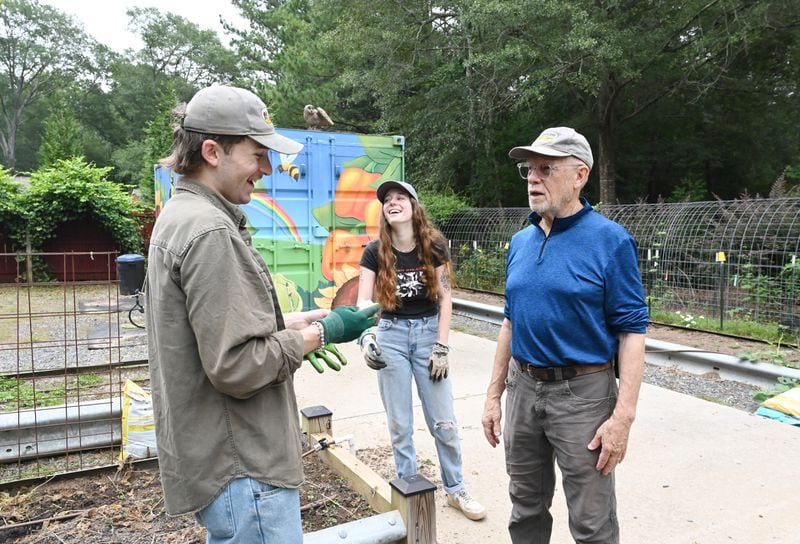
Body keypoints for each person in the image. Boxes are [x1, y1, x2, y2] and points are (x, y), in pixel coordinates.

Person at [144, 84, 378, 544]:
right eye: (257, 154)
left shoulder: (183, 214)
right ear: (213, 151)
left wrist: (288, 326)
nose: (267, 169)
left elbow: (210, 334)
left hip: (224, 460)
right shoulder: (210, 231)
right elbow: (235, 365)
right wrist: (325, 332)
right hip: (244, 465)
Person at [481, 127, 649, 543]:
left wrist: (623, 417)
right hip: (523, 389)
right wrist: (493, 396)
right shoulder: (520, 241)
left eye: (546, 169)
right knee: (525, 508)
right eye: (529, 169)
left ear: (579, 175)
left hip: (584, 395)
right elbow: (510, 321)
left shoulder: (610, 241)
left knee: (591, 523)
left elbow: (632, 332)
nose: (533, 179)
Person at [356, 179, 486, 521]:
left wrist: (442, 346)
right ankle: (409, 490)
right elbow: (362, 304)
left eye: (400, 197)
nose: (392, 202)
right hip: (391, 336)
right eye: (387, 199)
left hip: (429, 335)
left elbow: (445, 298)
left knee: (444, 422)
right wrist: (366, 337)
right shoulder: (373, 252)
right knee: (400, 423)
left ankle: (456, 489)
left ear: (415, 207)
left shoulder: (433, 246)